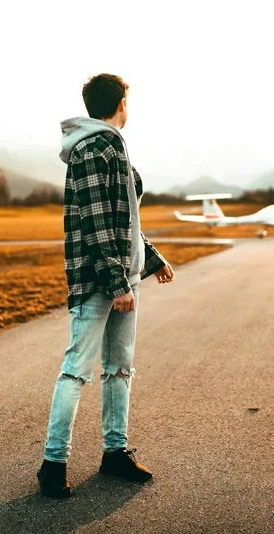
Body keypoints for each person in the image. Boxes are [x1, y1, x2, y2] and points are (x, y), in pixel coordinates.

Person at [37, 73, 175, 498]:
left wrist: (151, 259)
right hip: (101, 281)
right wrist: (118, 284)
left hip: (123, 278)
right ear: (119, 105)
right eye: (127, 103)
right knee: (77, 370)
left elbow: (124, 220)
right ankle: (53, 463)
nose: (128, 110)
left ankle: (115, 453)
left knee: (119, 368)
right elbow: (97, 225)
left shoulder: (111, 145)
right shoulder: (95, 147)